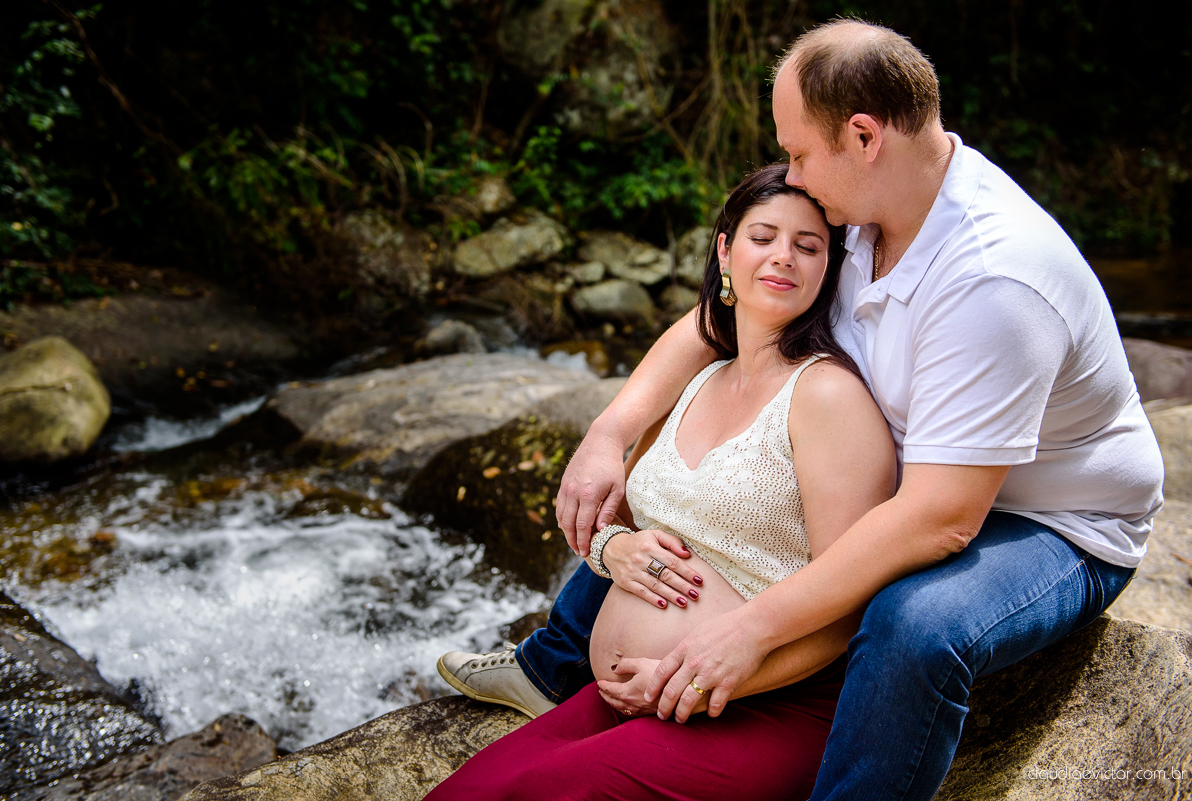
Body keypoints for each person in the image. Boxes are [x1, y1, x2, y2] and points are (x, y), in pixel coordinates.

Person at [440, 19, 1164, 801]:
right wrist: (609, 433)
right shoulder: (860, 214)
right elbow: (718, 320)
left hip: (1052, 519)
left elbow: (941, 517)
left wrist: (746, 633)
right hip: (926, 467)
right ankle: (555, 663)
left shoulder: (994, 281)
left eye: (797, 151)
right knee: (696, 490)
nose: (791, 172)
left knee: (914, 625)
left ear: (862, 135)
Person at [430, 164, 897, 800]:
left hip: (763, 701)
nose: (783, 257)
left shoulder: (827, 398)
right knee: (465, 791)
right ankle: (548, 674)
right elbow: (626, 522)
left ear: (827, 270)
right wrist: (614, 550)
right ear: (725, 252)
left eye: (808, 246)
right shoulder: (701, 377)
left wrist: (695, 677)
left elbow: (851, 603)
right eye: (763, 237)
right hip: (637, 692)